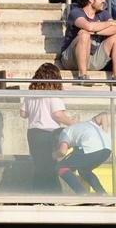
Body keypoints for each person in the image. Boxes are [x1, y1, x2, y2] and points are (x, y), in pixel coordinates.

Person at [21, 63, 77, 193]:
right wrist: (72, 122)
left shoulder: (31, 94)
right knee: (50, 166)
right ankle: (51, 194)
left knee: (39, 165)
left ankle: (38, 194)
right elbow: (57, 114)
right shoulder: (52, 94)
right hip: (49, 134)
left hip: (33, 133)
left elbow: (23, 113)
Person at [59, 0, 116, 81]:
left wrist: (94, 32)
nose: (104, 1)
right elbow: (88, 26)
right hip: (72, 58)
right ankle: (83, 75)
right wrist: (108, 24)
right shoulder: (76, 12)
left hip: (93, 57)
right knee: (84, 35)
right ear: (91, 0)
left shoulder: (103, 13)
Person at [56, 114, 113, 195]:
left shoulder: (64, 132)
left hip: (89, 148)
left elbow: (62, 152)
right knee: (84, 170)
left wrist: (53, 155)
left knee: (61, 167)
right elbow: (103, 115)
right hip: (107, 148)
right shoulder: (89, 123)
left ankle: (82, 194)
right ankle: (102, 193)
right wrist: (104, 132)